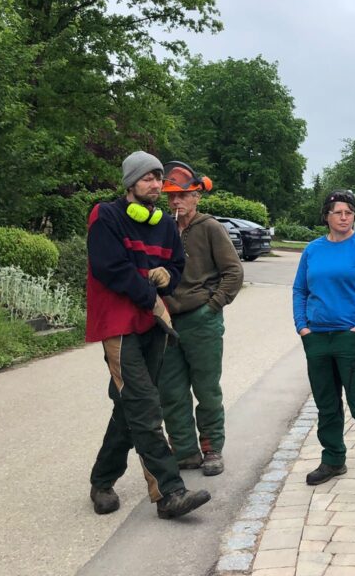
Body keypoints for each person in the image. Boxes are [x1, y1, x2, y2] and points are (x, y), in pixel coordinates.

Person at [86, 151, 211, 520]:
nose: (156, 185)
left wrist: (166, 278)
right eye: (147, 178)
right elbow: (111, 268)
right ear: (130, 182)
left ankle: (102, 480)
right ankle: (169, 493)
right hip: (118, 326)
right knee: (144, 405)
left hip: (152, 327)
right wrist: (149, 293)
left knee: (130, 406)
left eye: (159, 178)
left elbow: (176, 266)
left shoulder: (166, 225)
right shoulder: (105, 216)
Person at [293, 189, 355, 499]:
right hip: (317, 339)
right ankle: (333, 459)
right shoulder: (313, 250)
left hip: (352, 340)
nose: (344, 217)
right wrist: (302, 327)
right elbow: (299, 290)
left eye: (349, 212)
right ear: (327, 216)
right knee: (327, 405)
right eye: (338, 212)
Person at [158, 161, 243, 477]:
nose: (176, 202)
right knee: (172, 391)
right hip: (168, 322)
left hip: (201, 320)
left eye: (182, 196)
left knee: (206, 389)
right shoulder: (164, 229)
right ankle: (185, 453)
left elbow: (233, 271)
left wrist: (213, 306)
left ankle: (211, 450)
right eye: (171, 197)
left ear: (196, 196)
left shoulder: (210, 228)